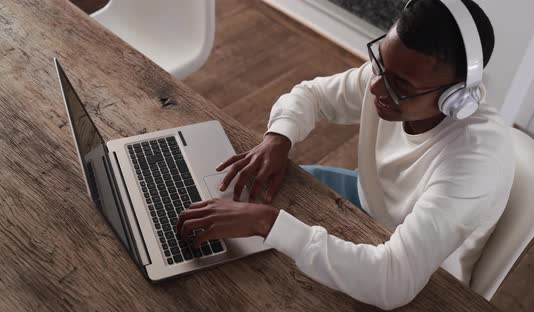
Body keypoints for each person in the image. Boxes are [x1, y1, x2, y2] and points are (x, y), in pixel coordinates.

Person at [176, 0, 515, 309]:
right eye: (379, 62)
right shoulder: (390, 77)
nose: (376, 87)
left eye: (400, 86)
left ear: (454, 99)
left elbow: (393, 282)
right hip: (368, 202)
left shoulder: (475, 161)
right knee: (249, 194)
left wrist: (265, 222)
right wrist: (278, 137)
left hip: (423, 276)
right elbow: (312, 95)